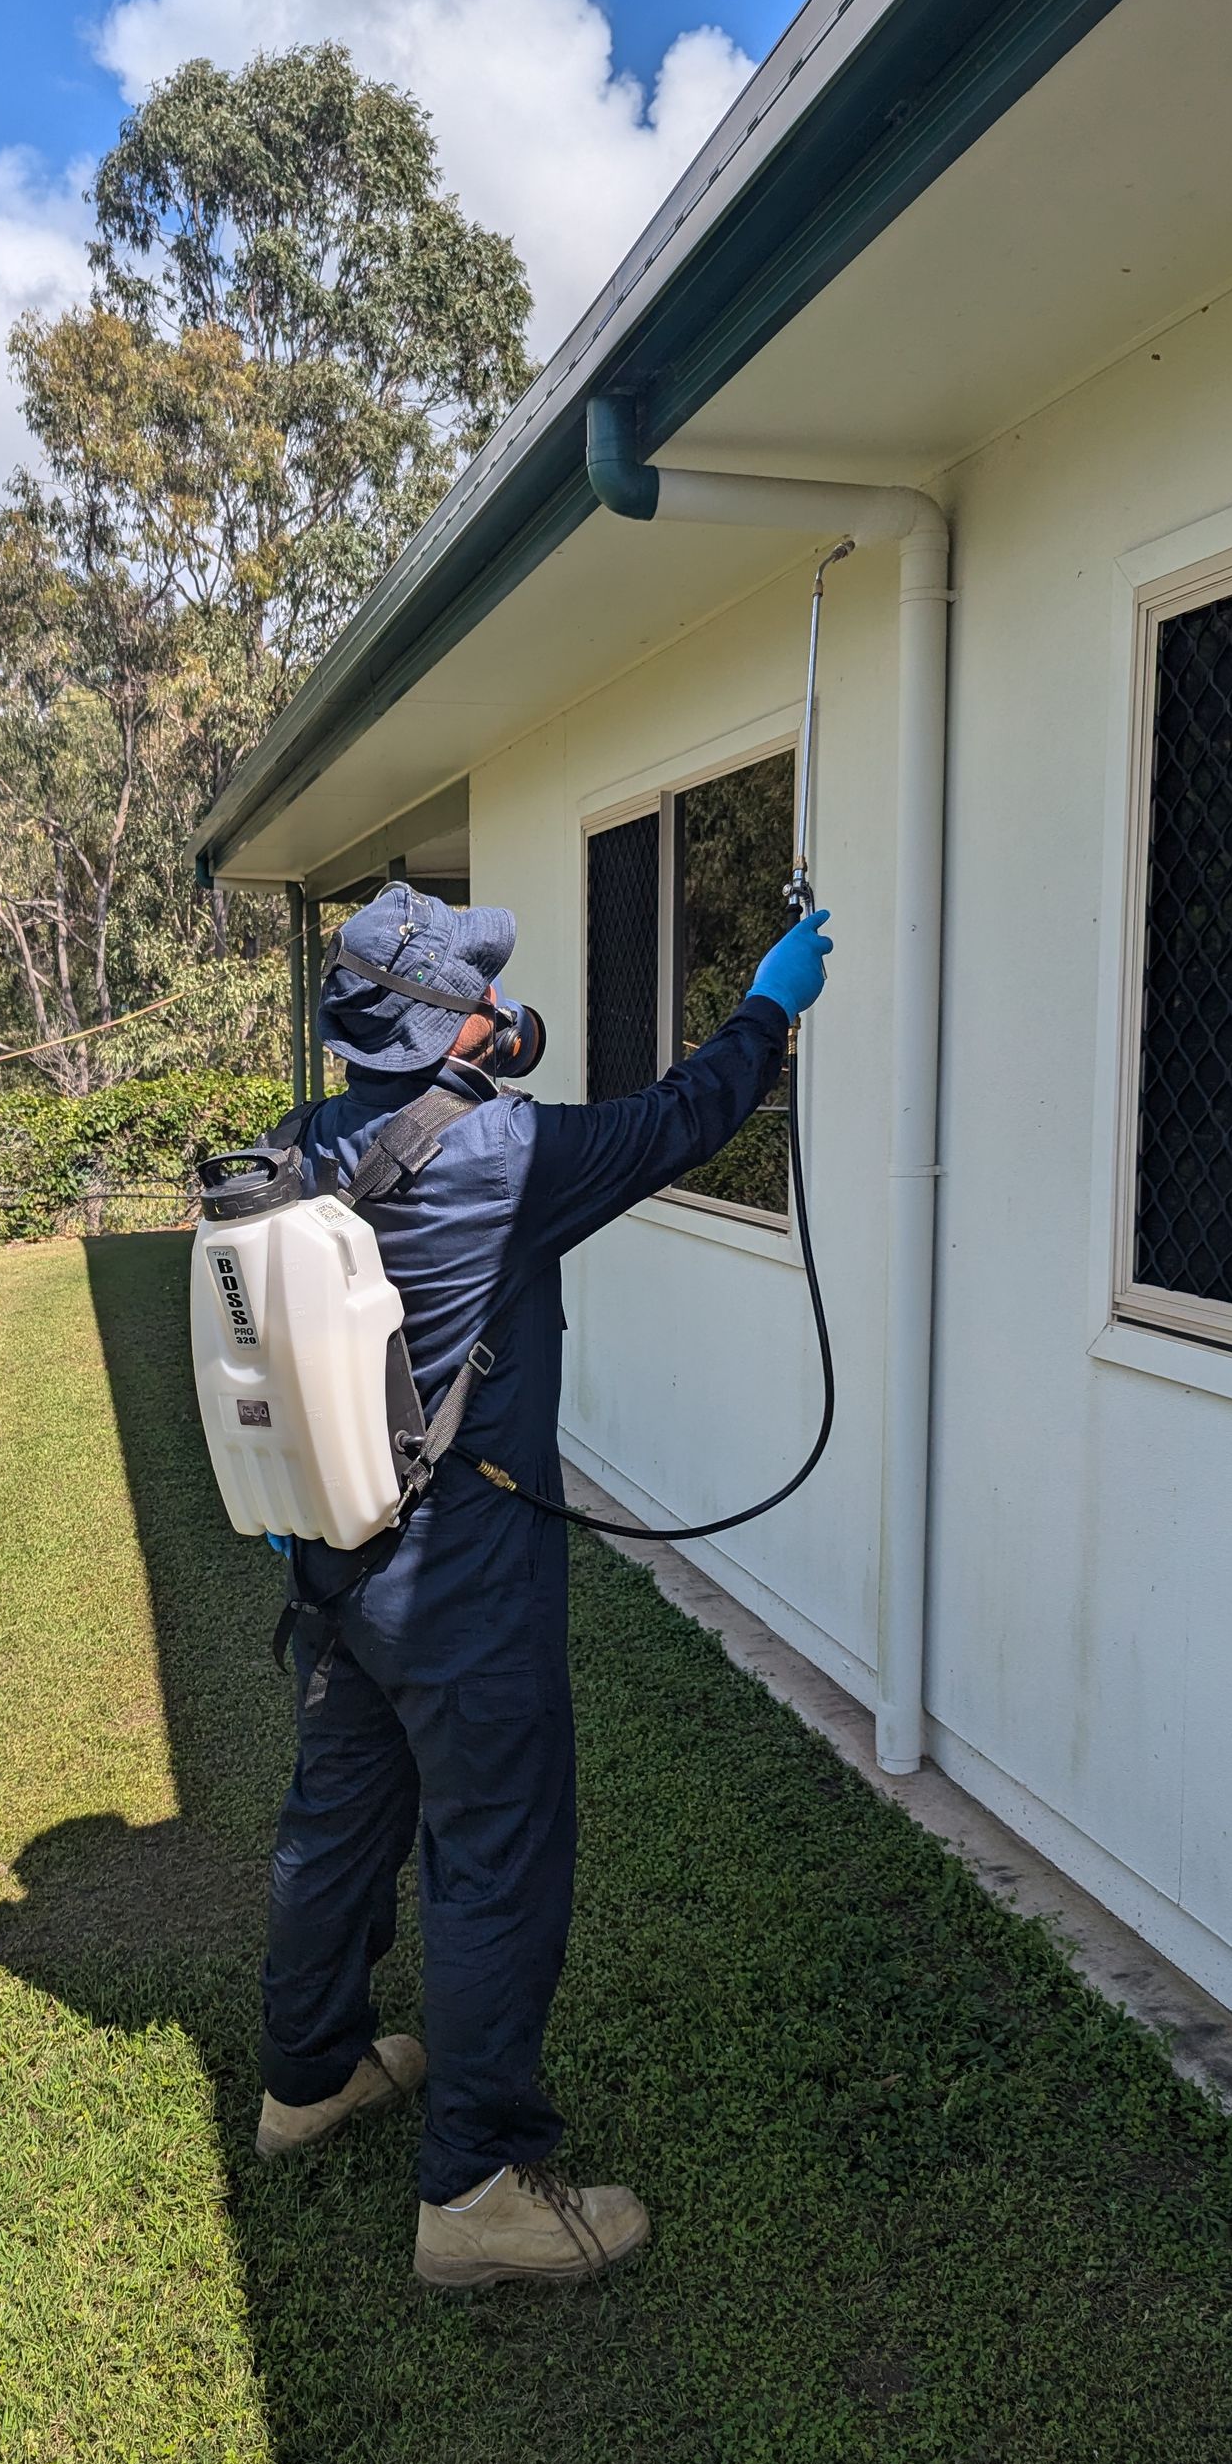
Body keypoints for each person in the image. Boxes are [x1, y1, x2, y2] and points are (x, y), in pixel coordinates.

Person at [253, 880, 834, 2288]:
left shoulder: (302, 1143)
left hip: (340, 1561)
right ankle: (475, 2190)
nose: (503, 1014)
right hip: (463, 1577)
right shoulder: (505, 1157)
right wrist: (772, 1003)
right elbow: (681, 1117)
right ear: (457, 1025)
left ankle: (310, 2076)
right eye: (483, 997)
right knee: (497, 1859)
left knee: (338, 1817)